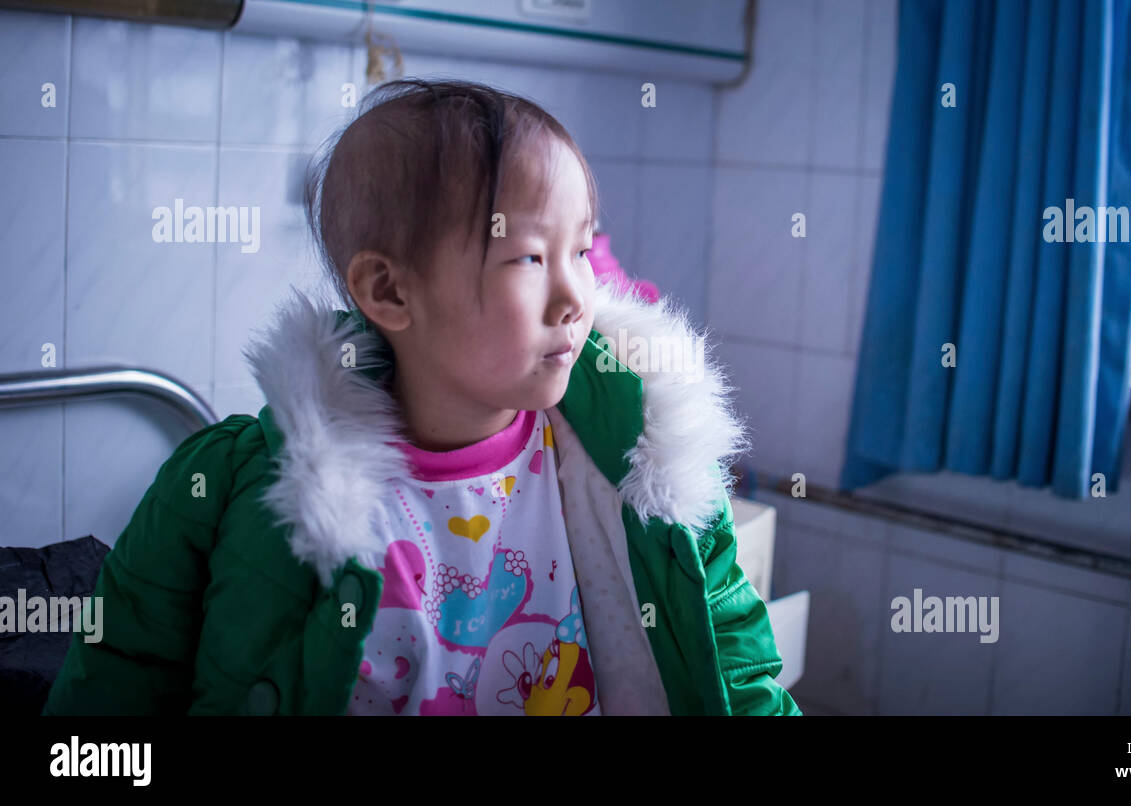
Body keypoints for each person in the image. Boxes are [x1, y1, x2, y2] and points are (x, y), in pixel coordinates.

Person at [42, 78, 800, 716]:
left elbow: (738, 676)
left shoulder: (642, 471)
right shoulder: (235, 489)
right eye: (530, 257)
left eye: (581, 249)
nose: (578, 296)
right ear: (389, 290)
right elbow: (111, 694)